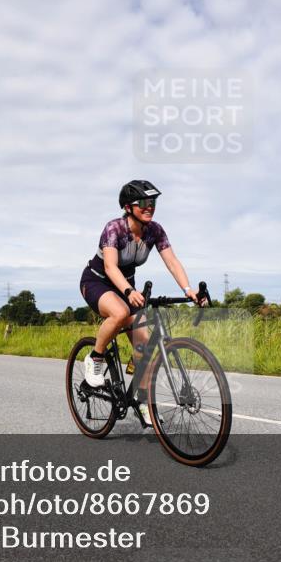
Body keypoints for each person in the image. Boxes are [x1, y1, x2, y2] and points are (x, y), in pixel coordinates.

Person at [78, 180, 203, 426]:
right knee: (120, 312)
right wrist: (127, 289)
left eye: (153, 202)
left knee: (145, 345)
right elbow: (110, 266)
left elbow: (172, 262)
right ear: (128, 207)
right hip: (98, 281)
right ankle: (95, 359)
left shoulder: (155, 231)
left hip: (127, 287)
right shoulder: (114, 228)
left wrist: (188, 290)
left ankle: (143, 401)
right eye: (144, 203)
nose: (150, 207)